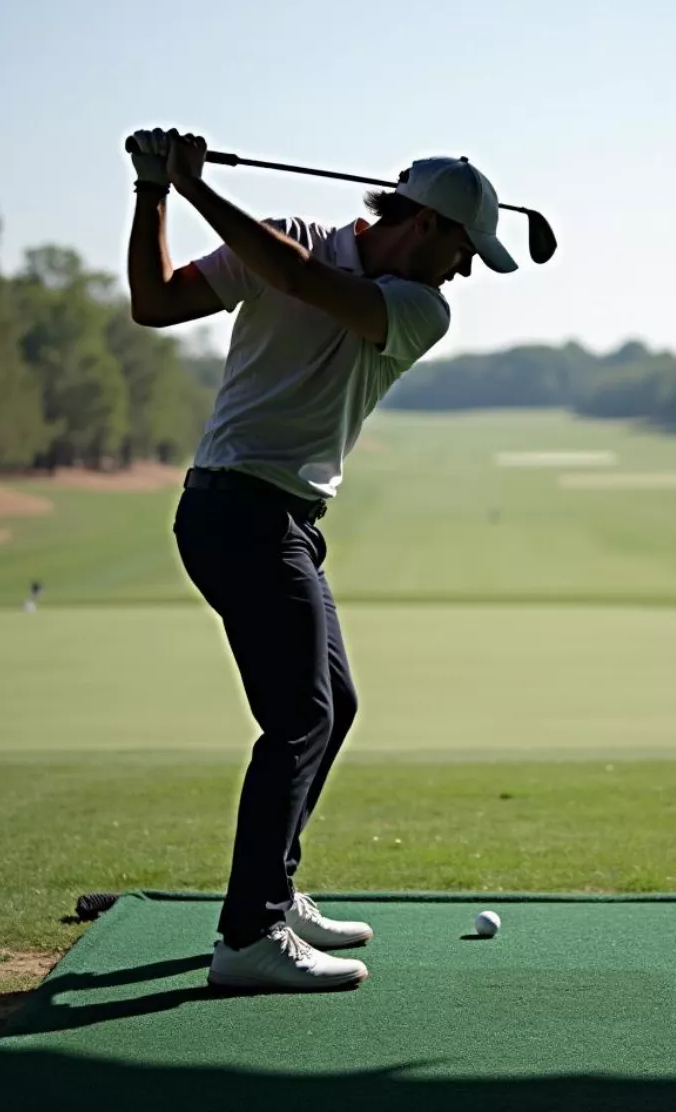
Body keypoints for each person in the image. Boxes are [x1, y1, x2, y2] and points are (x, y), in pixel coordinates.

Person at [125, 127, 522, 992]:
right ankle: (248, 936)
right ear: (424, 227)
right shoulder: (281, 240)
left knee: (330, 705)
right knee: (301, 715)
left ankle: (273, 889)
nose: (462, 271)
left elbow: (306, 284)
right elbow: (154, 304)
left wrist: (193, 188)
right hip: (236, 510)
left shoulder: (418, 309)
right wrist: (153, 193)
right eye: (463, 249)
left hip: (286, 520)